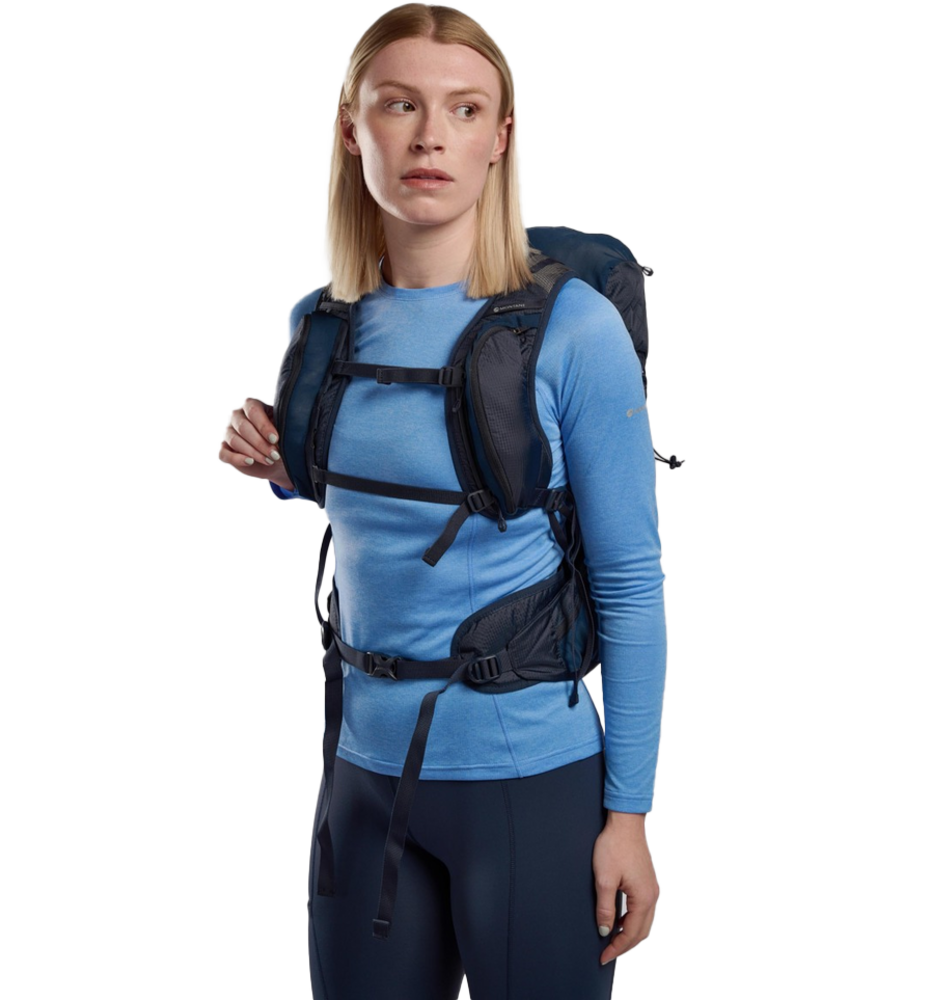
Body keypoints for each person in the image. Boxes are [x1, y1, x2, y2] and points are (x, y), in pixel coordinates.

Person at [217, 3, 667, 997]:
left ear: (500, 138)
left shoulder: (572, 330)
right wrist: (281, 468)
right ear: (352, 129)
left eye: (464, 109)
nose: (430, 136)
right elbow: (384, 503)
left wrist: (628, 817)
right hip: (358, 780)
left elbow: (633, 584)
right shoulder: (321, 323)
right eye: (399, 104)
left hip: (530, 783)